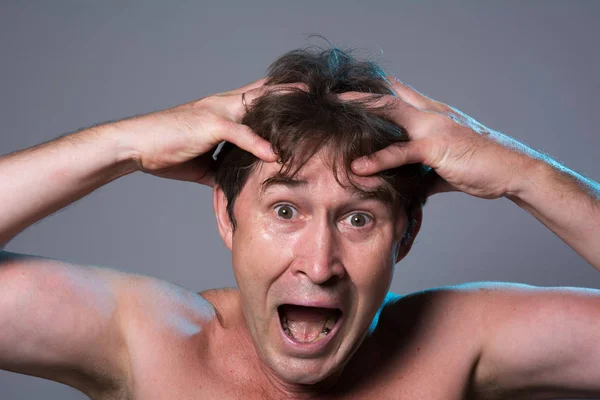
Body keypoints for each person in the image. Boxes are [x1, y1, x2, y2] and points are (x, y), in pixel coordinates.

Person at [0, 45, 599, 400]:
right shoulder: (149, 343)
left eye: (359, 218)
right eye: (286, 211)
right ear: (228, 217)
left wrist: (526, 174)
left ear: (407, 234)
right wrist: (122, 143)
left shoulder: (459, 343)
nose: (318, 264)